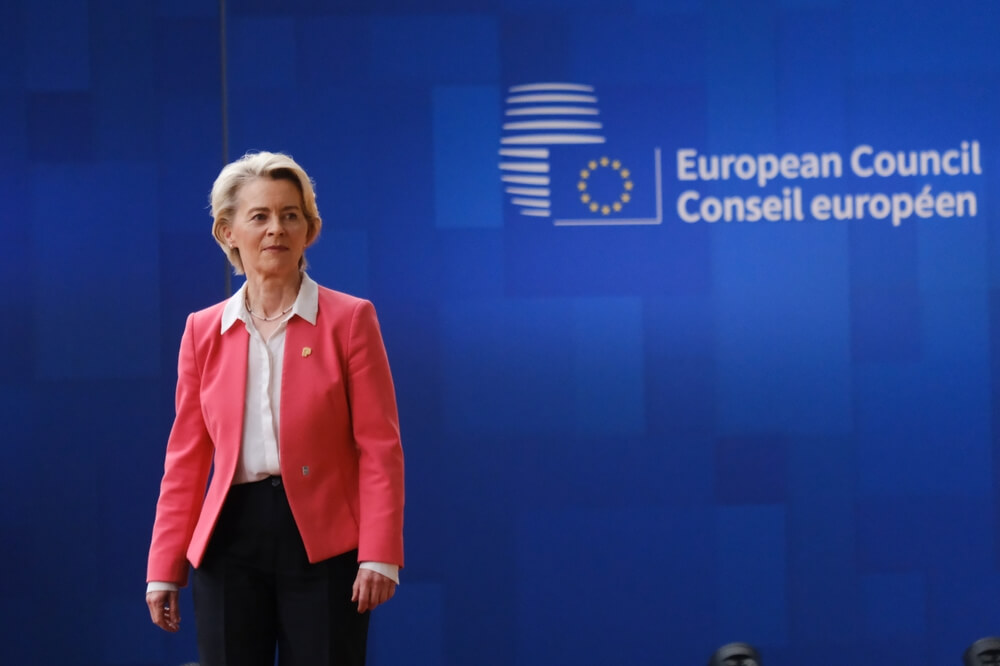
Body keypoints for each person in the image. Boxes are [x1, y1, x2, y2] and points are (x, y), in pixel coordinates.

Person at [145, 151, 404, 666]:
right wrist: (163, 567)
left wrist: (380, 553)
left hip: (325, 543)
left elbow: (380, 447)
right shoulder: (202, 331)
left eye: (290, 215)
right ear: (227, 232)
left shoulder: (351, 320)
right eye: (259, 216)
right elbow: (186, 458)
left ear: (311, 230)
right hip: (228, 542)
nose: (276, 229)